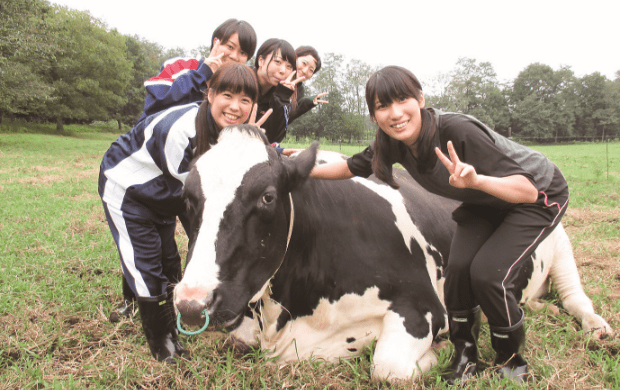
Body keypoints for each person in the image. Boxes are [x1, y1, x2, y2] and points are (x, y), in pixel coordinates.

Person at [303, 66, 569, 384]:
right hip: (482, 202)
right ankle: (465, 355)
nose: (395, 113)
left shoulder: (457, 130)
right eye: (382, 106)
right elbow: (351, 166)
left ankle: (512, 360)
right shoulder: (392, 142)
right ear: (374, 115)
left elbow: (526, 189)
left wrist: (477, 180)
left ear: (421, 99)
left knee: (487, 274)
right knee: (457, 272)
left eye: (402, 99)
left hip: (536, 196)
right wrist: (302, 168)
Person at [99, 63, 269, 363]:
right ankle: (161, 340)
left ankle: (139, 304)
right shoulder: (181, 130)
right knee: (147, 264)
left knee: (168, 260)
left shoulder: (229, 133)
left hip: (165, 194)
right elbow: (205, 197)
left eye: (245, 100)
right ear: (210, 93)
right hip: (130, 191)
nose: (235, 107)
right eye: (227, 95)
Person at [137, 18, 257, 123]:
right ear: (216, 42)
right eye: (230, 47)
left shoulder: (237, 89)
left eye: (243, 53)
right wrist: (201, 74)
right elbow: (154, 103)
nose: (234, 56)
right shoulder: (181, 65)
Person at [252, 38, 301, 144]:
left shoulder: (279, 94)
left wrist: (281, 98)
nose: (283, 71)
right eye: (277, 62)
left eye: (289, 66)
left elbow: (275, 139)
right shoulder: (241, 81)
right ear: (261, 60)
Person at [287, 46, 328, 124]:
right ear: (295, 57)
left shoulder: (299, 90)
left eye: (311, 70)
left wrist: (307, 104)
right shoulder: (277, 76)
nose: (305, 71)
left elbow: (287, 120)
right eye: (304, 63)